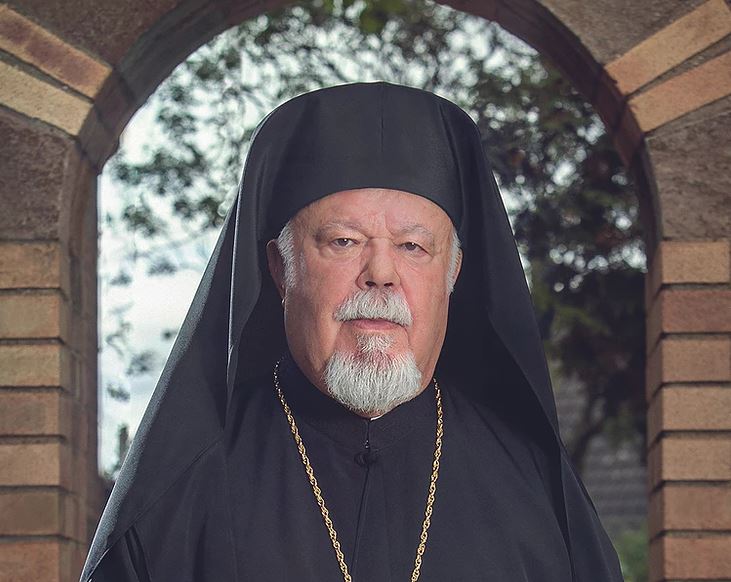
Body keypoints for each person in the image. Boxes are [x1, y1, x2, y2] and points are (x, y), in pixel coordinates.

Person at [82, 81, 624, 581]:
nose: (381, 273)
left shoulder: (535, 490)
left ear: (453, 273)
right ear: (280, 269)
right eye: (343, 241)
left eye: (413, 247)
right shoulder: (182, 496)